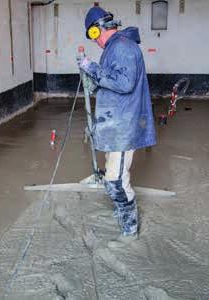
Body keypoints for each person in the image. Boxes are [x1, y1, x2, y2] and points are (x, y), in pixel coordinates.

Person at [78, 6, 156, 237]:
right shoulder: (115, 47)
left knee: (115, 179)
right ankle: (123, 213)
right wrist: (94, 80)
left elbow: (124, 84)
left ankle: (130, 228)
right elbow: (112, 81)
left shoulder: (122, 47)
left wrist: (91, 67)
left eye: (93, 36)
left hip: (123, 125)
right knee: (114, 172)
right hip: (114, 122)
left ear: (96, 31)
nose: (95, 42)